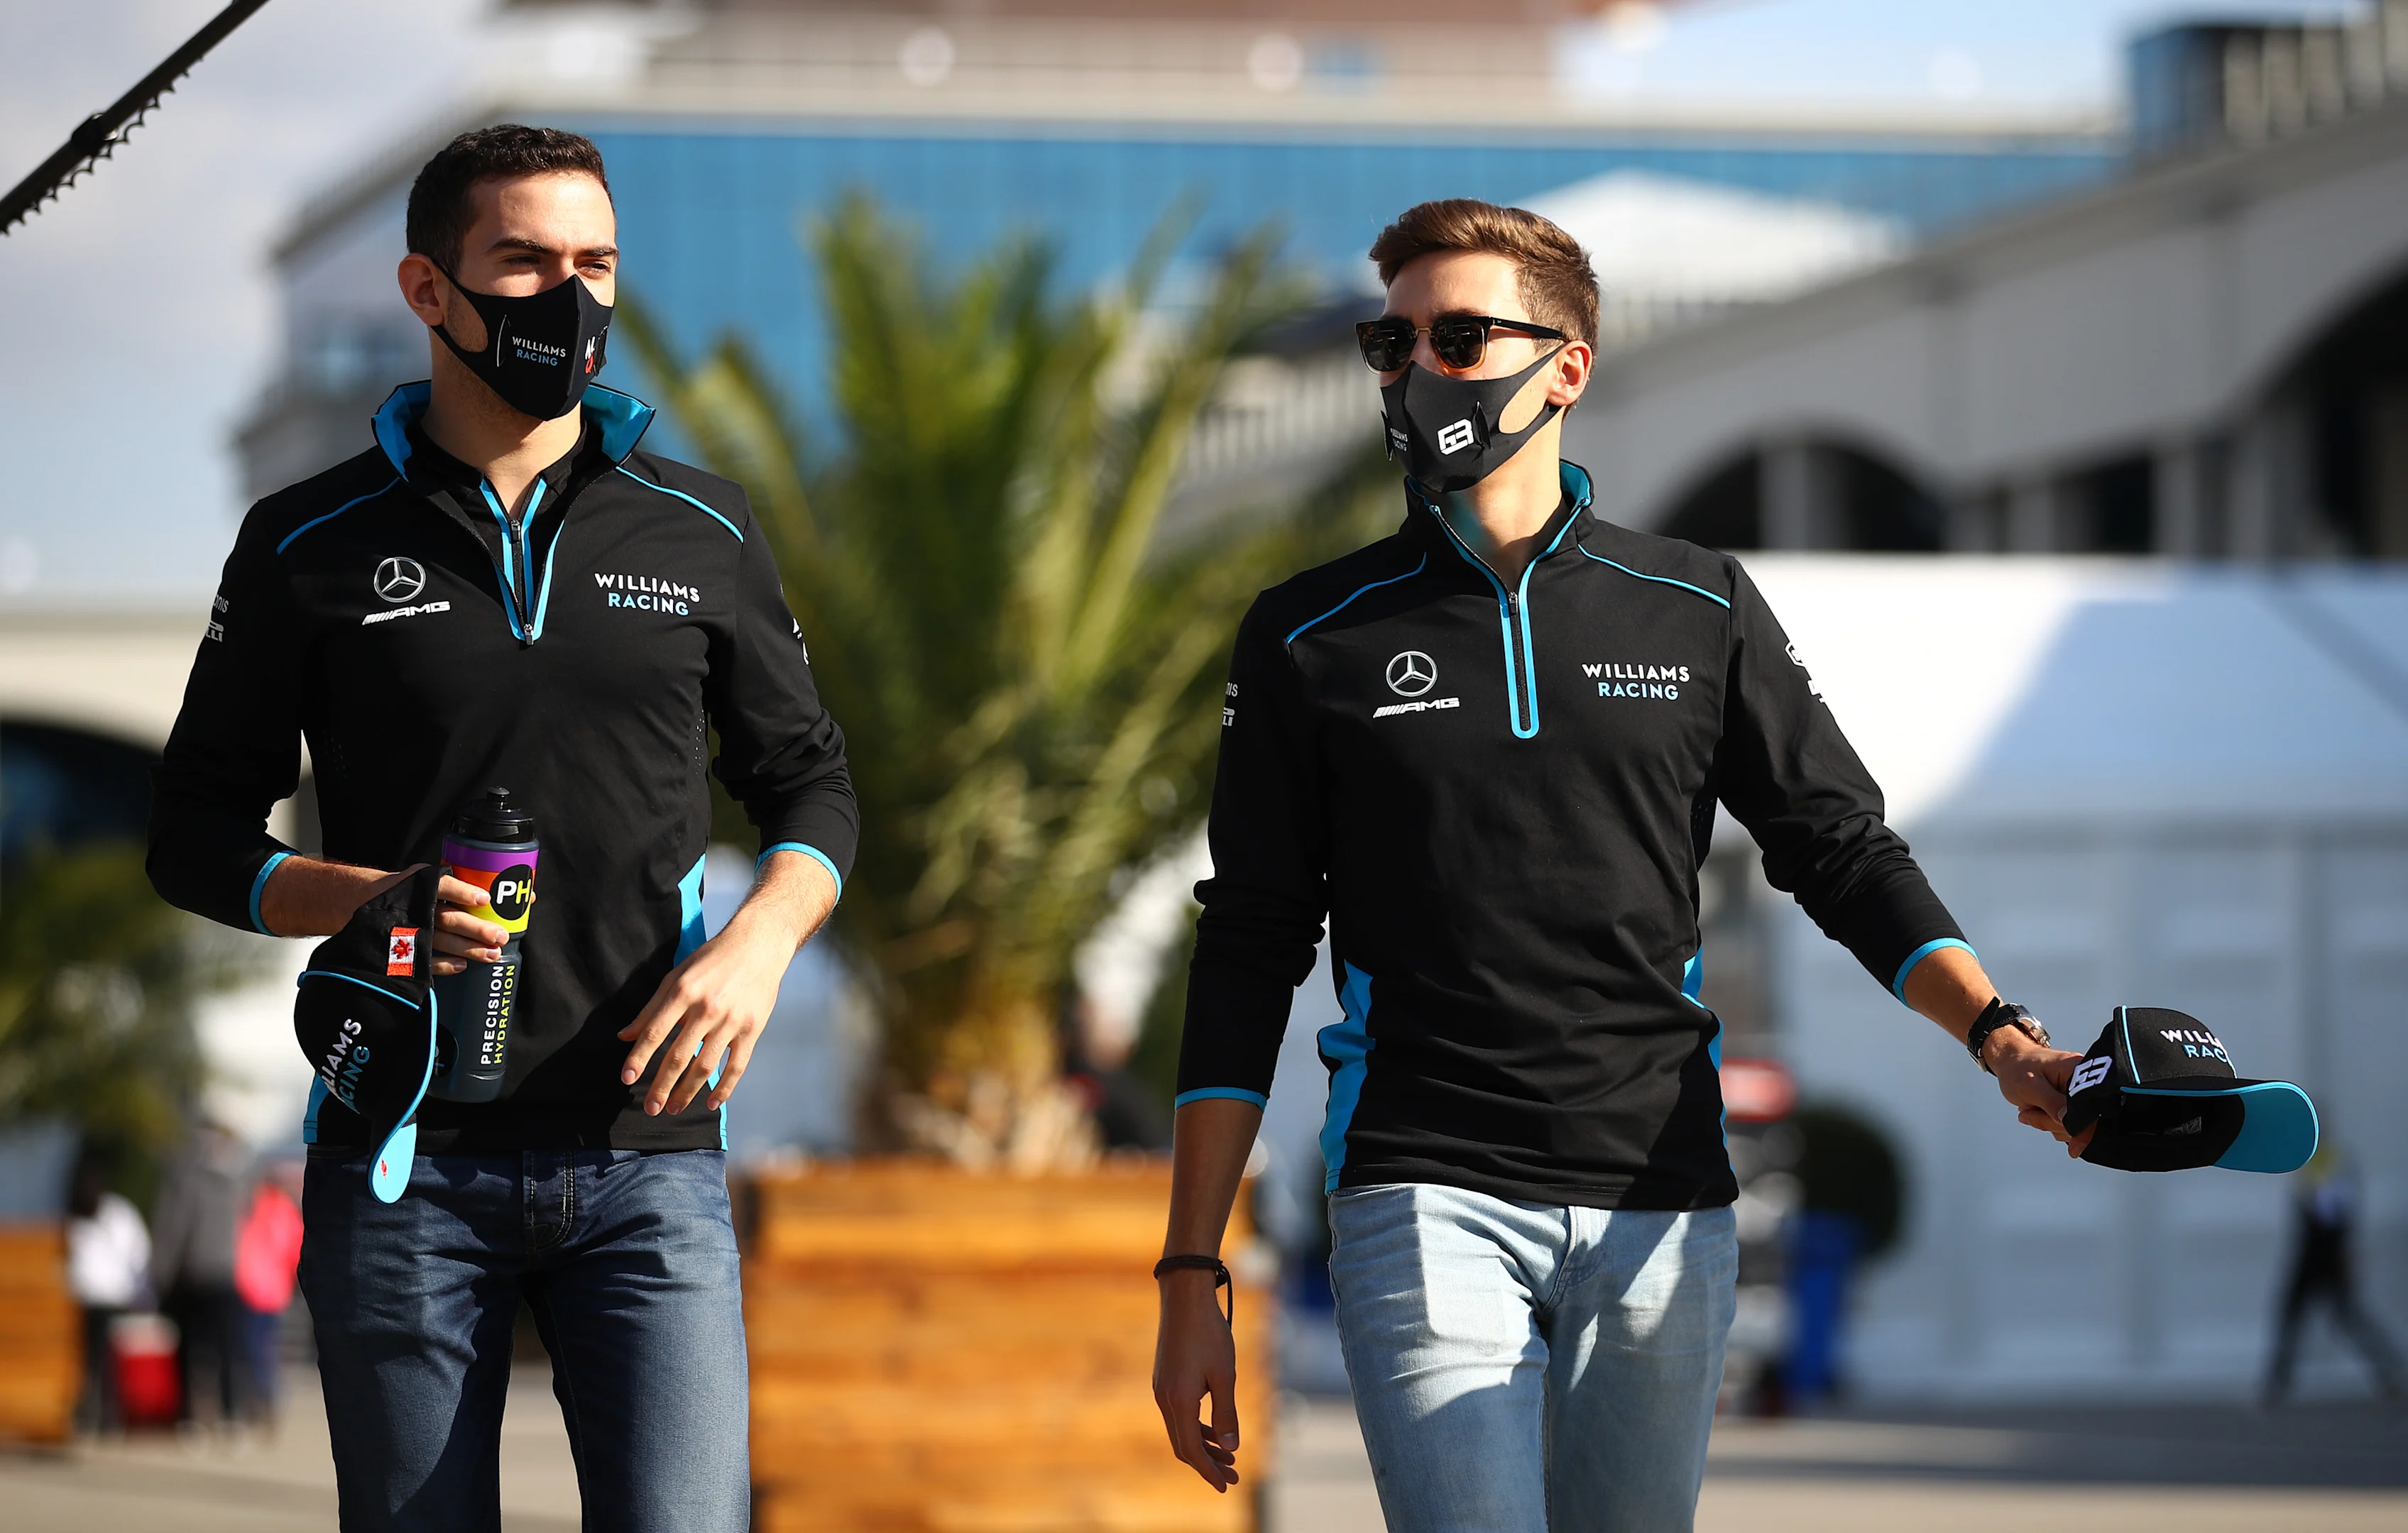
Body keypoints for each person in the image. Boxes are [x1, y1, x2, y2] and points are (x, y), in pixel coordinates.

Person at [1151, 199, 2092, 1531]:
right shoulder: (1307, 632)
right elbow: (1247, 943)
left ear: (1567, 366)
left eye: (1460, 337)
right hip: (1420, 1186)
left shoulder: (1695, 601)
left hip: (1663, 1197)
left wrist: (1998, 1033)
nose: (1418, 372)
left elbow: (1835, 847)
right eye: (1391, 342)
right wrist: (1192, 1267)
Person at [148, 123, 855, 1531]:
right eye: (523, 262)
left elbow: (811, 786)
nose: (568, 299)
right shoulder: (306, 543)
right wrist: (363, 896)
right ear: (427, 290)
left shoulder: (701, 527)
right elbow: (193, 831)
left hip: (649, 1157)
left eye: (594, 263)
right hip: (401, 1154)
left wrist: (760, 947)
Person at [2263, 1142, 2406, 1406]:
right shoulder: (2308, 1161)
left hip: (2325, 1256)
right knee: (2295, 1318)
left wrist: (2344, 1253)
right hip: (2311, 1255)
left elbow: (2333, 1214)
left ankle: (2391, 1370)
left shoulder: (2330, 1163)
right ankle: (2277, 1383)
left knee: (2344, 1317)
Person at [149, 1119, 256, 1429]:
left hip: (194, 1274)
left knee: (191, 1350)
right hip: (227, 1273)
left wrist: (160, 1274)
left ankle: (189, 1416)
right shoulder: (239, 1180)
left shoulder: (186, 1179)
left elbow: (173, 1229)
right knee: (226, 1349)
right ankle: (230, 1414)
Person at [65, 1157, 150, 1434]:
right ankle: (91, 1415)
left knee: (105, 1362)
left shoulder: (117, 1213)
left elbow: (138, 1250)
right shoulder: (82, 1214)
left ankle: (107, 1418)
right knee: (90, 1361)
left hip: (110, 1297)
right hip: (86, 1298)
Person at [233, 1162, 305, 1426]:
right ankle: (267, 1397)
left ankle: (256, 1400)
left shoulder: (251, 1209)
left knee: (250, 1348)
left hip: (249, 1288)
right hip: (275, 1292)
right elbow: (295, 1252)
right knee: (267, 1347)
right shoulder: (286, 1212)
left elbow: (240, 1246)